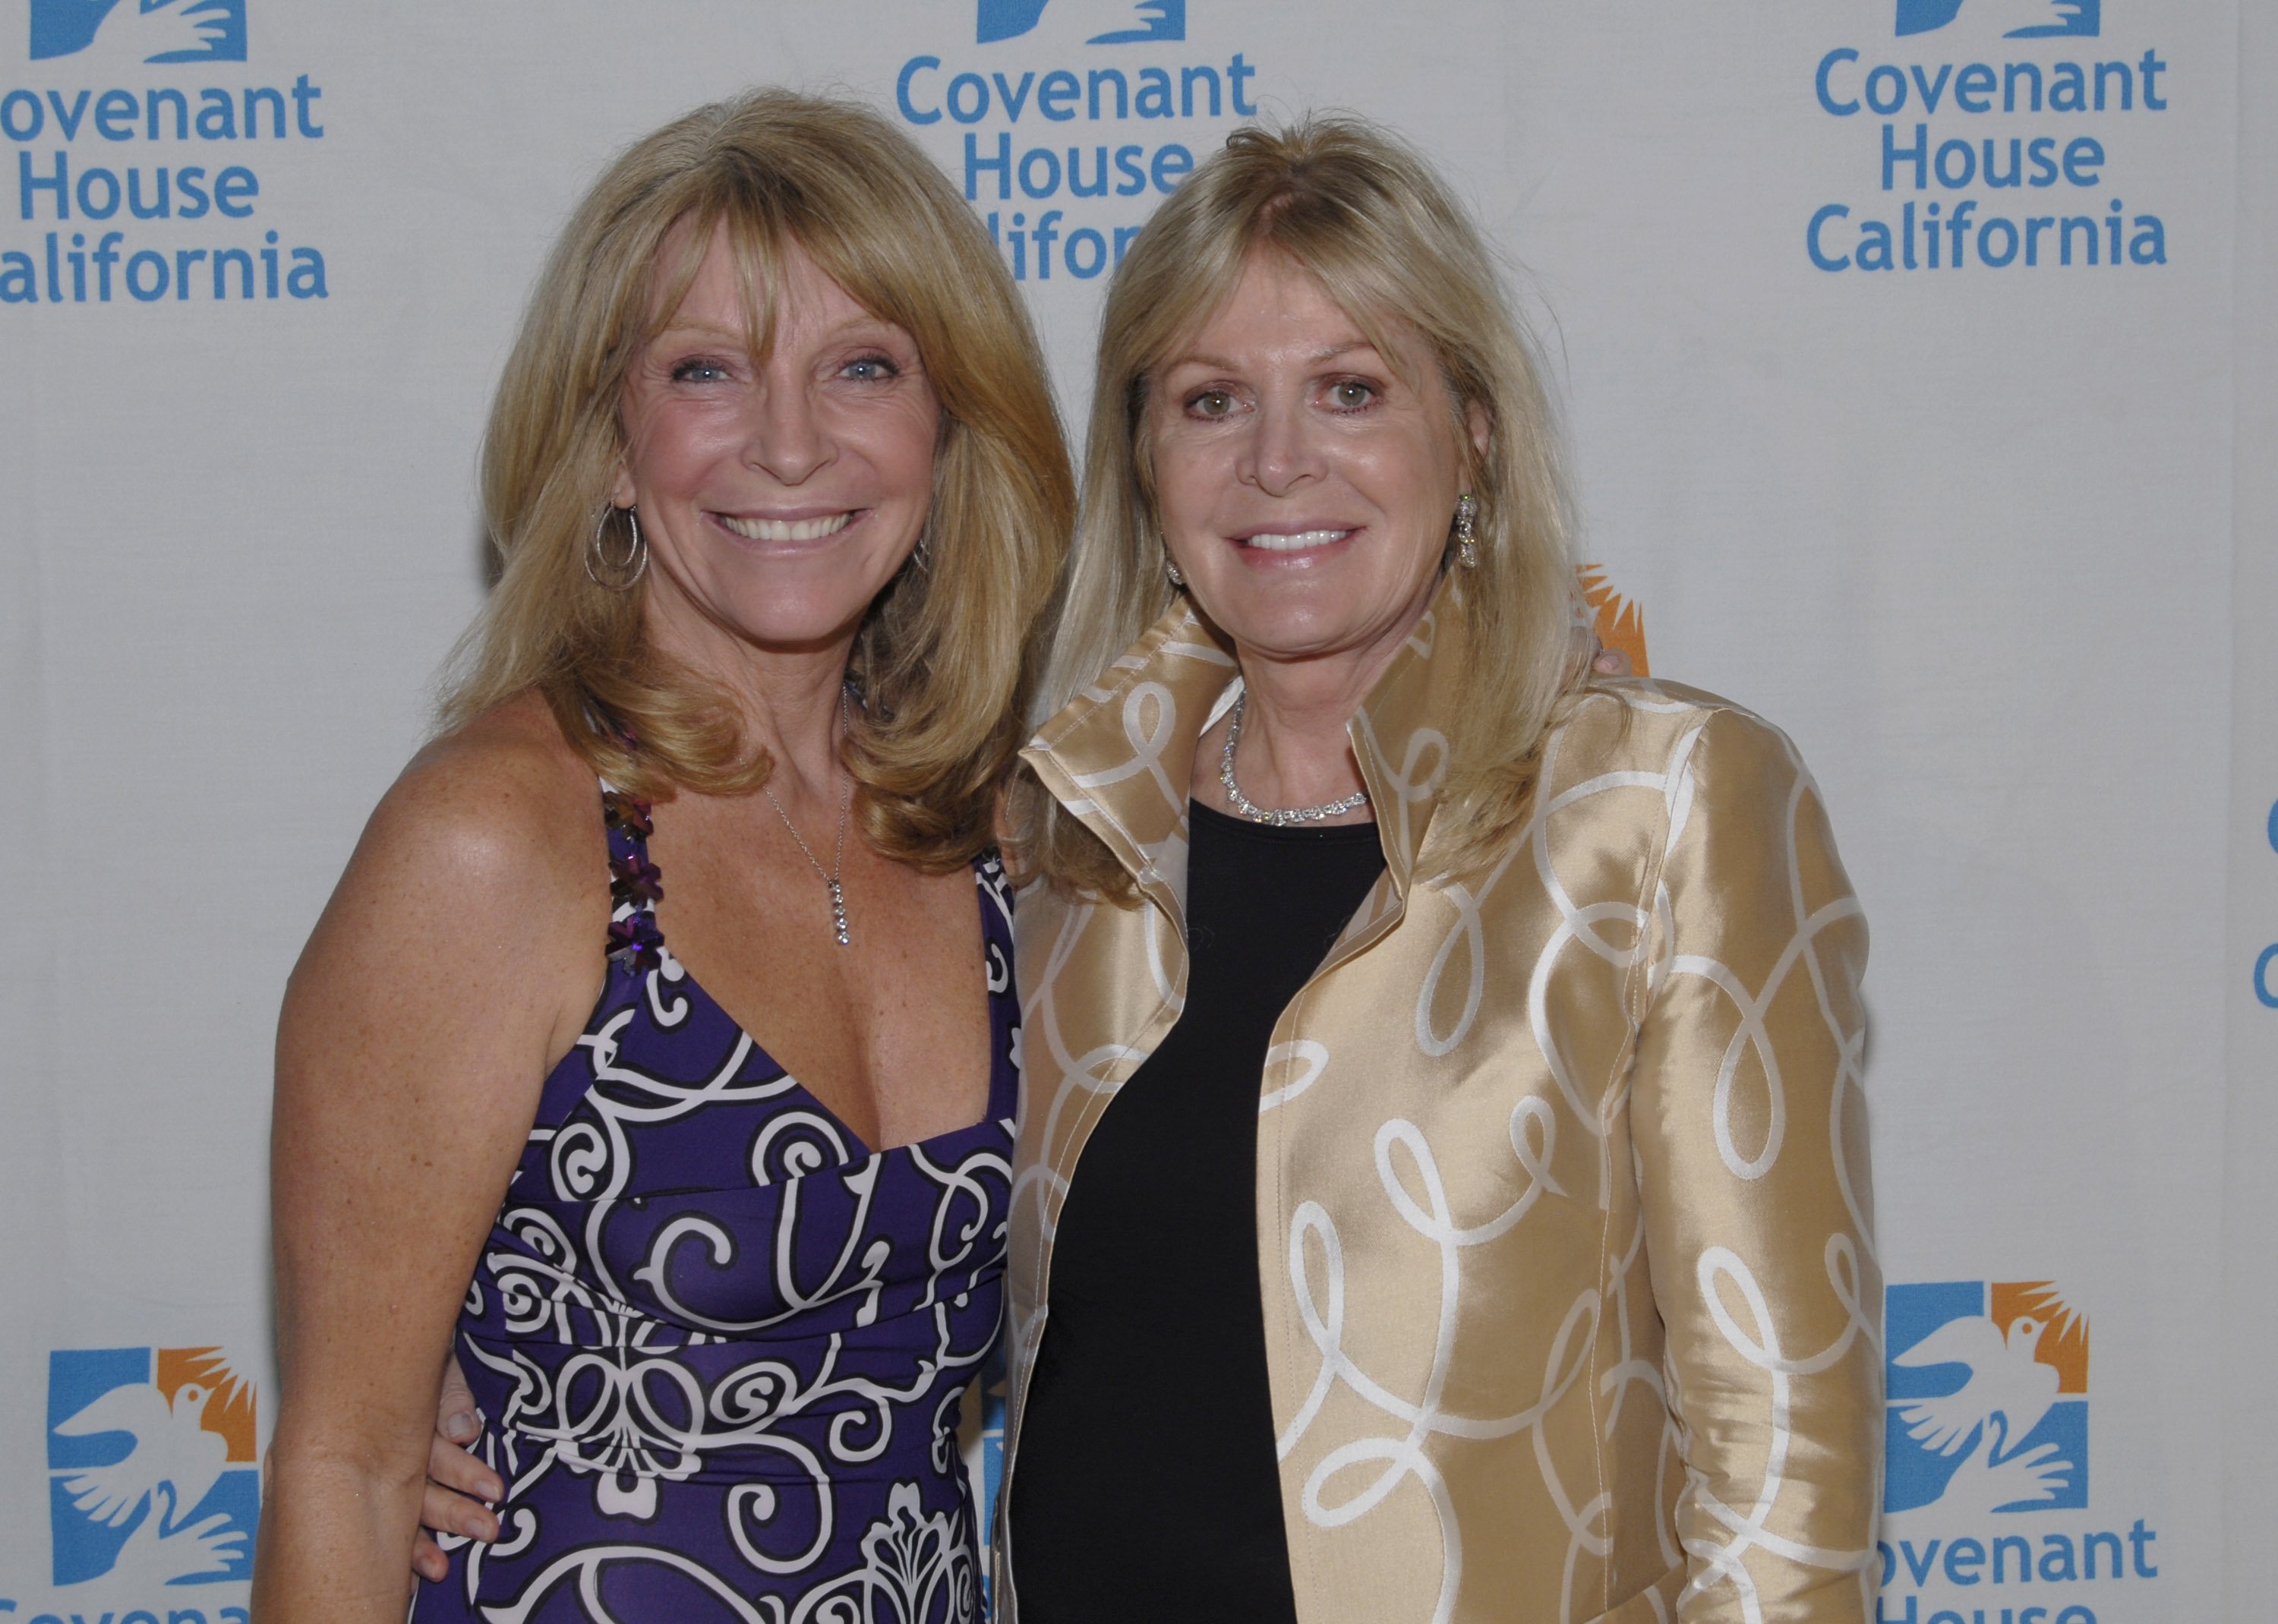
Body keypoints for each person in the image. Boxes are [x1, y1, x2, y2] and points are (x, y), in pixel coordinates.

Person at [993, 117, 1881, 1621]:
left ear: (1470, 430)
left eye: (1350, 389)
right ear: (1145, 461)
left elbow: (1776, 1428)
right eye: (1212, 400)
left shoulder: (1662, 803)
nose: (1279, 463)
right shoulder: (1072, 836)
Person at [256, 90, 1070, 1622]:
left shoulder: (994, 845)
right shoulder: (499, 842)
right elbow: (349, 1467)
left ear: (948, 435)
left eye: (863, 367)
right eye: (708, 368)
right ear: (612, 441)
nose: (787, 439)